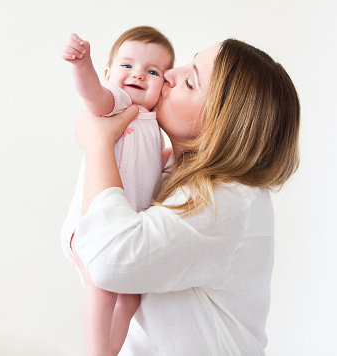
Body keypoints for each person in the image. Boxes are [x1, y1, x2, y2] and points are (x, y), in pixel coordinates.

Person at [70, 39, 300, 355]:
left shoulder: (228, 199)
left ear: (220, 127)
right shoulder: (165, 170)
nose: (169, 75)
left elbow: (111, 260)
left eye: (190, 82)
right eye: (187, 64)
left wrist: (97, 145)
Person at [61, 26, 175, 355]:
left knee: (131, 296)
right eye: (127, 66)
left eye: (152, 71)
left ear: (164, 86)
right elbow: (93, 94)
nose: (138, 74)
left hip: (119, 232)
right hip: (89, 229)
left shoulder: (152, 122)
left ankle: (110, 350)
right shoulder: (118, 103)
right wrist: (83, 65)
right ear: (110, 73)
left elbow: (156, 164)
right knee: (102, 287)